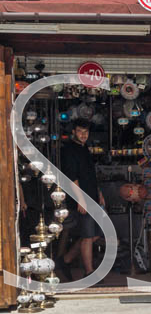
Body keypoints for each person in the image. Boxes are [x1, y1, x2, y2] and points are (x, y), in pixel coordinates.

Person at [59, 120, 105, 280]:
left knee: (95, 235)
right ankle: (89, 272)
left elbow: (90, 175)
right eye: (80, 131)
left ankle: (65, 260)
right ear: (73, 132)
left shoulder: (85, 148)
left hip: (92, 197)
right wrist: (81, 200)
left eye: (86, 132)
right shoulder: (69, 150)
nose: (83, 135)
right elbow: (73, 178)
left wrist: (99, 193)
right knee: (87, 235)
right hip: (81, 199)